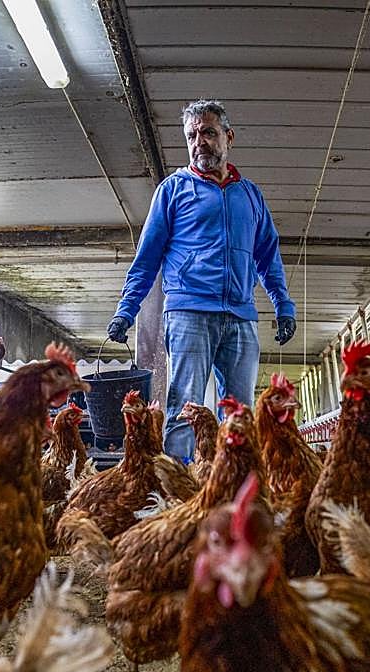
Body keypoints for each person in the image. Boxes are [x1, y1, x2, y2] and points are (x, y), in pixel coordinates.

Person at [107, 99, 296, 462]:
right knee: (184, 405)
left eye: (208, 133)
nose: (200, 142)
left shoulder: (250, 195)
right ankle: (179, 485)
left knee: (239, 412)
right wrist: (126, 311)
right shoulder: (173, 190)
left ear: (228, 137)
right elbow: (147, 258)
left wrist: (283, 305)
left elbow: (267, 256)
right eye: (192, 135)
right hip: (189, 313)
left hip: (241, 317)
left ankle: (232, 485)